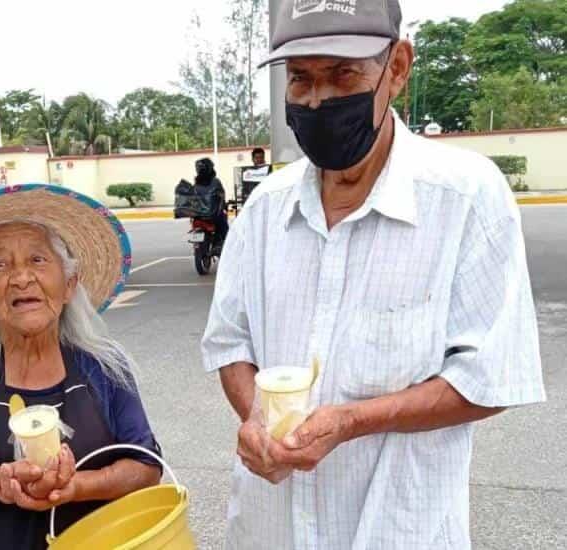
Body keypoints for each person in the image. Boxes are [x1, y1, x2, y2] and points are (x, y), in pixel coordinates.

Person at [201, 1, 545, 548]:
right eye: (301, 79)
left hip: (397, 528)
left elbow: (490, 377)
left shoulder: (465, 197)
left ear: (398, 68)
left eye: (343, 74)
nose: (318, 99)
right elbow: (230, 344)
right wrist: (258, 419)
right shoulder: (264, 211)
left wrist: (353, 421)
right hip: (270, 529)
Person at [0, 185, 161, 549]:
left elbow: (146, 466)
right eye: (0, 265)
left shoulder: (105, 365)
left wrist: (75, 487)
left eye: (38, 260)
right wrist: (2, 478)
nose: (21, 277)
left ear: (69, 283)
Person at [193, 157, 229, 247]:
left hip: (199, 216)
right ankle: (224, 246)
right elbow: (222, 195)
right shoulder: (216, 181)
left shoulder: (196, 183)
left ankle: (198, 246)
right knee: (225, 229)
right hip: (214, 215)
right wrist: (224, 205)